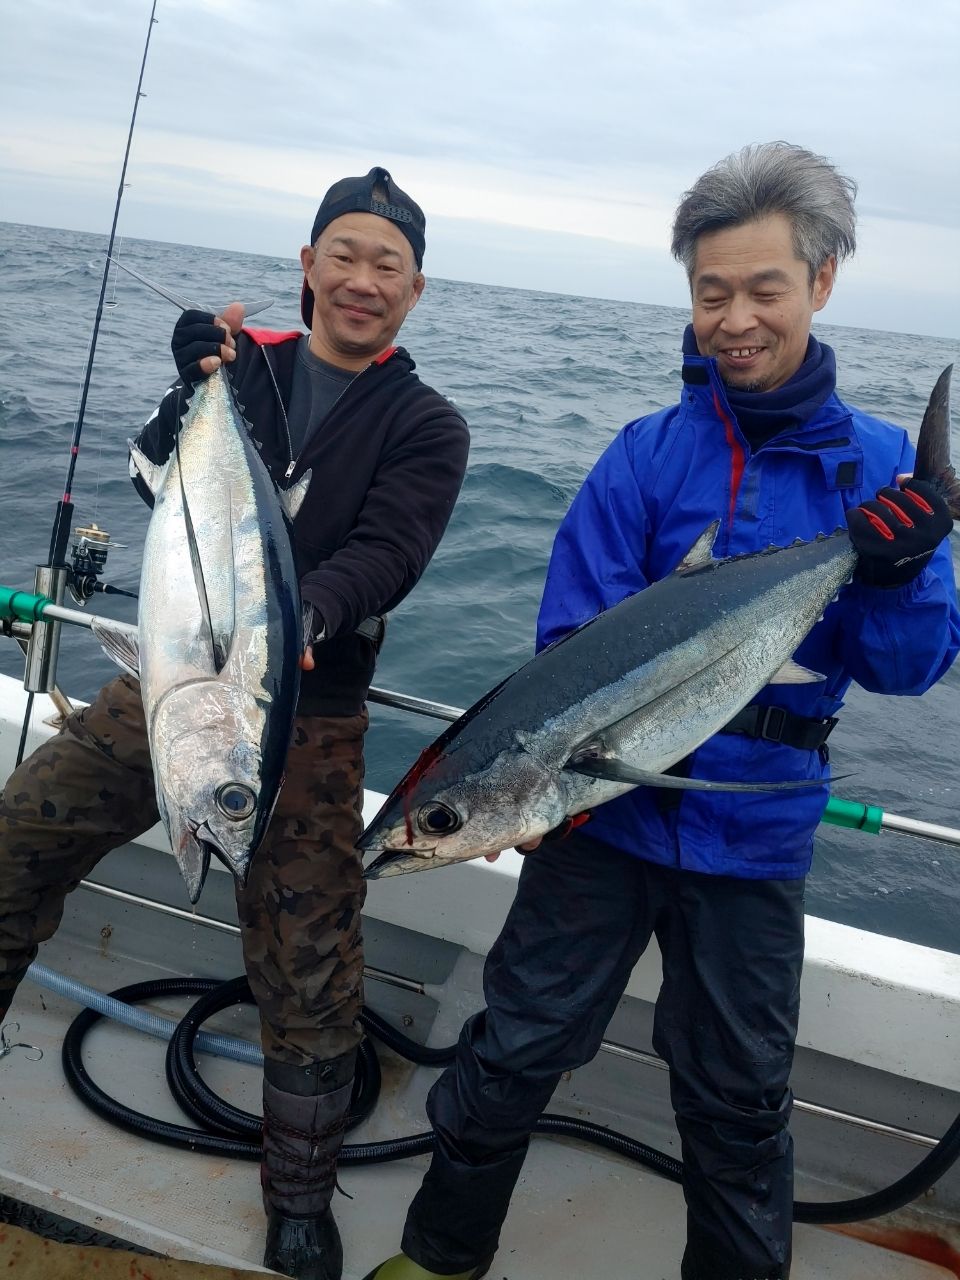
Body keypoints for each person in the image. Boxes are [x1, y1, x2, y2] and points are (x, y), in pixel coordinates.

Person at [363, 143, 960, 1280]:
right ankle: (437, 1258)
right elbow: (560, 661)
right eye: (711, 291)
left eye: (763, 288)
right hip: (601, 825)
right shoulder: (643, 455)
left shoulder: (885, 476)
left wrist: (891, 571)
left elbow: (913, 667)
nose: (734, 318)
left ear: (822, 280)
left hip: (759, 830)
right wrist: (534, 797)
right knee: (512, 1049)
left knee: (738, 1104)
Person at [0, 167, 469, 1280]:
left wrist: (307, 607)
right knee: (16, 838)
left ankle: (299, 1194)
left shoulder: (427, 424)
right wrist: (188, 387)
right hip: (161, 685)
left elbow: (390, 553)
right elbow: (158, 480)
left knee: (309, 963)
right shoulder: (238, 369)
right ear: (307, 266)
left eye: (387, 265)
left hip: (302, 713)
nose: (362, 280)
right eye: (343, 255)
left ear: (415, 290)